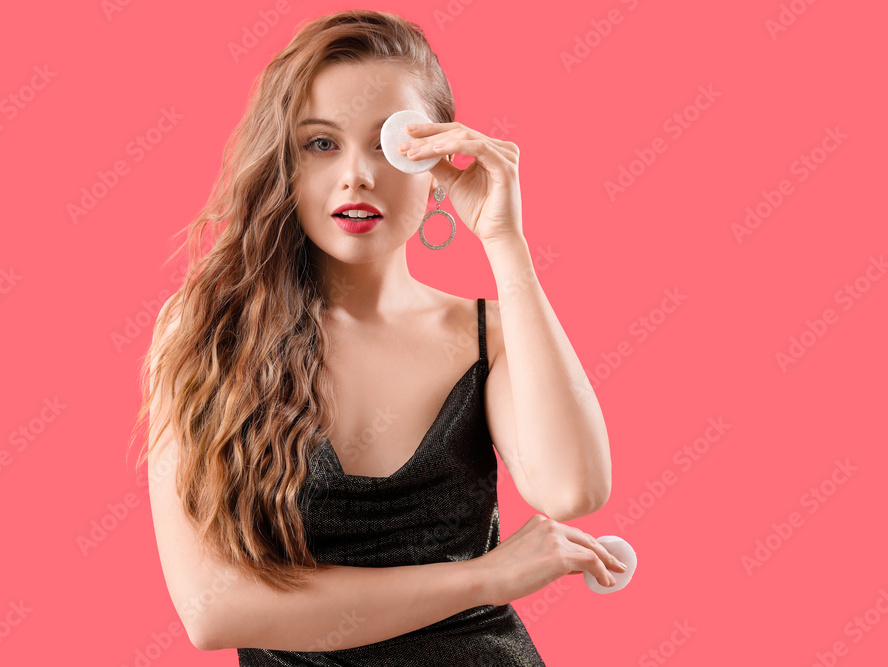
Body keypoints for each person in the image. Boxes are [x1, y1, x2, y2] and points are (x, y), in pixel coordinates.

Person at [130, 9, 625, 665]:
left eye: (389, 144)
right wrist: (488, 576)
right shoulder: (206, 332)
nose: (357, 175)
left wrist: (505, 243)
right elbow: (213, 608)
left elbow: (574, 490)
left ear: (436, 157)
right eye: (321, 144)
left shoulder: (487, 335)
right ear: (284, 162)